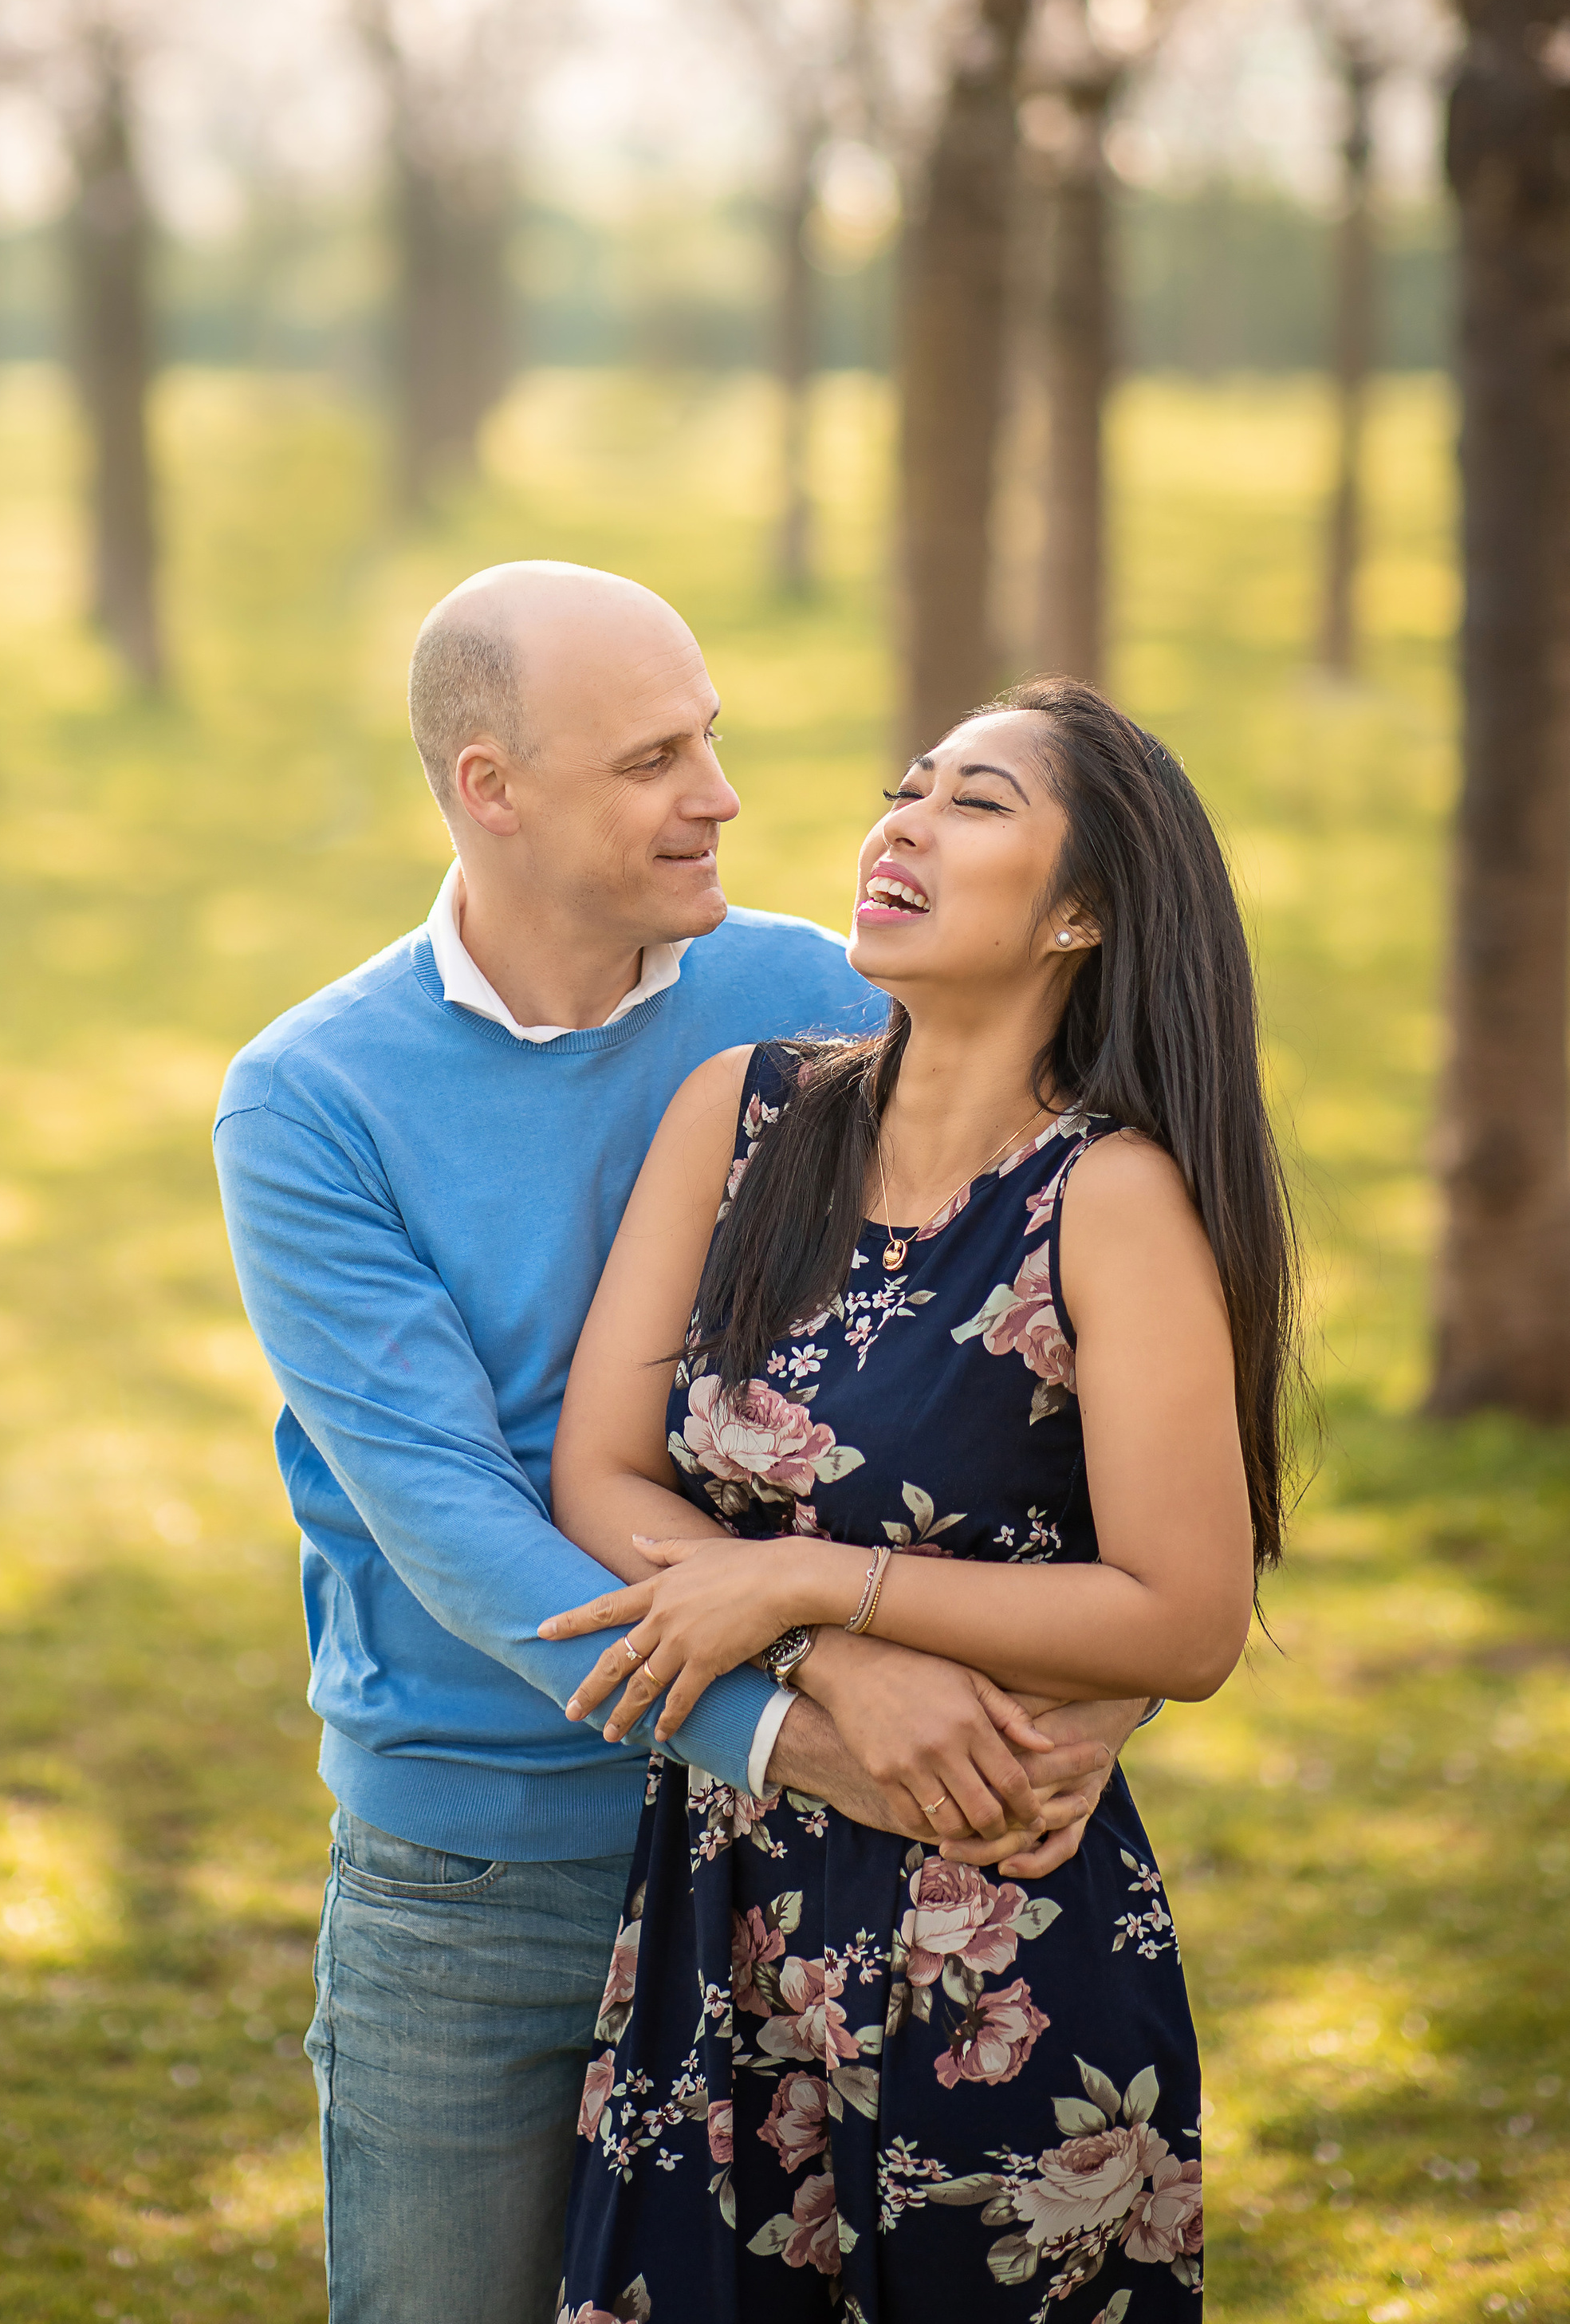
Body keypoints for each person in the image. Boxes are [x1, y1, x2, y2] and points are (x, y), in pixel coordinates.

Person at [213, 570, 1147, 2324]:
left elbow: (1040, 1354)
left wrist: (1084, 1698)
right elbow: (448, 1517)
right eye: (654, 758)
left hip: (796, 1869)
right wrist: (807, 1712)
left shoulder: (818, 993)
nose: (717, 793)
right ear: (490, 788)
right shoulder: (311, 1098)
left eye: (708, 737)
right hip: (490, 1867)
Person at [545, 677, 1300, 2322]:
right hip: (717, 1910)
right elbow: (597, 1472)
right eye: (904, 789)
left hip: (992, 1931)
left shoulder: (1106, 1200)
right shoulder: (742, 1115)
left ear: (1081, 911)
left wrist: (808, 1586)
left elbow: (1182, 1616)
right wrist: (817, 1650)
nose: (900, 824)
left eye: (974, 804)